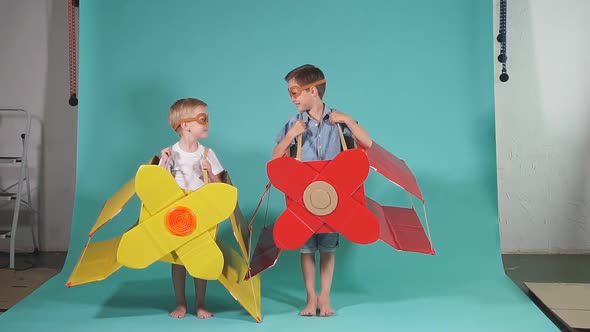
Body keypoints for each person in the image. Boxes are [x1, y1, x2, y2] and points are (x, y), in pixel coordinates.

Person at [272, 64, 372, 316]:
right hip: (303, 197)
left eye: (295, 92)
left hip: (334, 197)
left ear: (312, 91)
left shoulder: (338, 120)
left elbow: (368, 143)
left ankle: (325, 298)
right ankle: (310, 298)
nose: (292, 99)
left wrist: (348, 119)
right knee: (306, 249)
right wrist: (290, 136)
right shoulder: (293, 122)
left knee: (327, 248)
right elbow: (276, 160)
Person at [159, 97, 224, 319]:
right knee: (178, 263)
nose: (207, 124)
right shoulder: (170, 153)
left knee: (201, 258)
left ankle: (200, 304)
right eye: (202, 119)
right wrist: (163, 163)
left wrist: (211, 173)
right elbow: (159, 185)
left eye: (207, 119)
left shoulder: (207, 154)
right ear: (185, 125)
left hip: (202, 213)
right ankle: (180, 303)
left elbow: (221, 188)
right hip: (178, 215)